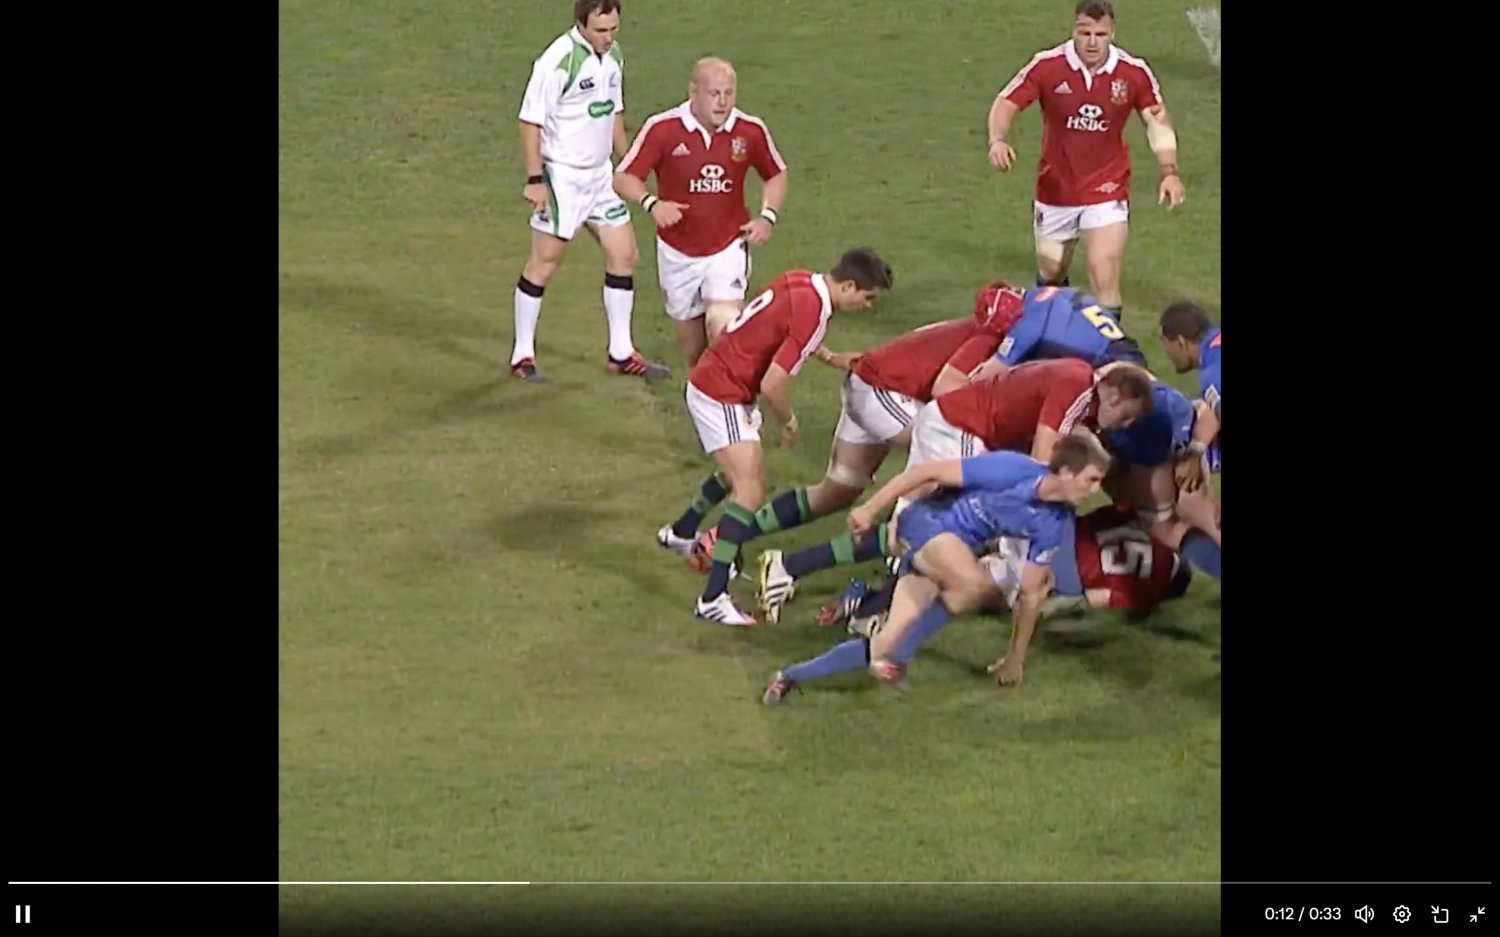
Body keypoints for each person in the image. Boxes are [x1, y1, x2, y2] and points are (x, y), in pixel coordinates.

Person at [741, 282, 1026, 622]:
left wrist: (840, 358)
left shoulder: (965, 329)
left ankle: (732, 540)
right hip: (885, 395)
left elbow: (906, 354)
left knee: (839, 491)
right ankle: (871, 604)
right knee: (933, 506)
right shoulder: (990, 340)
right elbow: (946, 389)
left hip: (870, 384)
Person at [761, 436, 1111, 703]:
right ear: (1066, 472)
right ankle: (901, 658)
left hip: (948, 551)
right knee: (975, 585)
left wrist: (1014, 660)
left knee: (884, 643)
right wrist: (871, 509)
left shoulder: (1054, 523)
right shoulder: (1012, 469)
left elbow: (1031, 594)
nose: (1096, 491)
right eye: (1092, 480)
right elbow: (926, 472)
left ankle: (789, 676)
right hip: (926, 522)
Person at [657, 249, 894, 626]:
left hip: (721, 377)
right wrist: (788, 419)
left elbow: (778, 327)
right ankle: (713, 598)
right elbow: (773, 383)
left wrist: (827, 356)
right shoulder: (814, 311)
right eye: (866, 297)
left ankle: (681, 532)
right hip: (722, 392)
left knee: (740, 472)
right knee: (749, 490)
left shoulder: (801, 280)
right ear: (849, 286)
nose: (866, 306)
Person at [986, 0, 1185, 321]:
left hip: (1107, 187)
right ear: (1074, 30)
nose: (1092, 42)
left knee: (1103, 271)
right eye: (1085, 33)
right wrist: (997, 140)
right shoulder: (1047, 66)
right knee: (1051, 272)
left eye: (1100, 34)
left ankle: (1109, 346)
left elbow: (1156, 121)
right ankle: (1053, 328)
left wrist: (1169, 171)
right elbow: (1006, 102)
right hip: (1056, 190)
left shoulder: (1133, 72)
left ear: (1112, 33)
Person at [509, 0, 669, 384]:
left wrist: (628, 165)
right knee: (545, 262)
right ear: (580, 24)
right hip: (562, 178)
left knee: (624, 255)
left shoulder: (613, 56)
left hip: (600, 177)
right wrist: (535, 179)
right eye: (600, 30)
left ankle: (620, 353)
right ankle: (522, 354)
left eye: (613, 29)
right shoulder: (557, 61)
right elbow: (530, 122)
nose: (608, 37)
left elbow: (614, 113)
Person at [614, 58, 790, 366]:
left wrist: (767, 217)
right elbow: (623, 177)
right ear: (693, 92)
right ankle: (705, 390)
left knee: (725, 327)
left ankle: (735, 391)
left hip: (728, 245)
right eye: (714, 94)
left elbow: (775, 173)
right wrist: (652, 204)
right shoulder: (663, 129)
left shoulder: (749, 130)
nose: (723, 102)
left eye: (729, 93)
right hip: (677, 252)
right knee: (695, 352)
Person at [968, 282, 1146, 383]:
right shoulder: (1057, 292)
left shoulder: (1026, 325)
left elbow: (986, 375)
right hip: (1129, 352)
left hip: (1111, 370)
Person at [1157, 302, 1221, 488]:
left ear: (1180, 342)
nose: (1168, 355)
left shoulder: (1213, 375)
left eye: (1166, 346)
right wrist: (1197, 451)